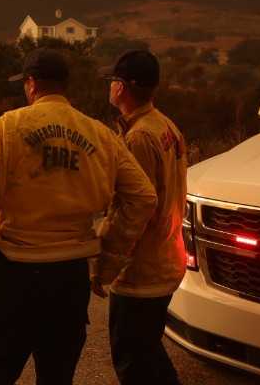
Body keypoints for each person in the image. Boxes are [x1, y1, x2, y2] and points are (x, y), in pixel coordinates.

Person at [0, 48, 158, 385]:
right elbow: (143, 197)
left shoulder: (8, 126)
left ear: (31, 84)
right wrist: (108, 261)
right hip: (68, 280)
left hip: (12, 273)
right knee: (56, 375)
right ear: (65, 86)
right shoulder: (101, 135)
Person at [98, 50, 188, 385]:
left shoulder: (138, 137)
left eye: (112, 81)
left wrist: (105, 268)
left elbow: (135, 209)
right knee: (148, 351)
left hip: (142, 271)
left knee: (132, 361)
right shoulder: (167, 126)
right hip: (167, 259)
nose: (110, 88)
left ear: (121, 88)